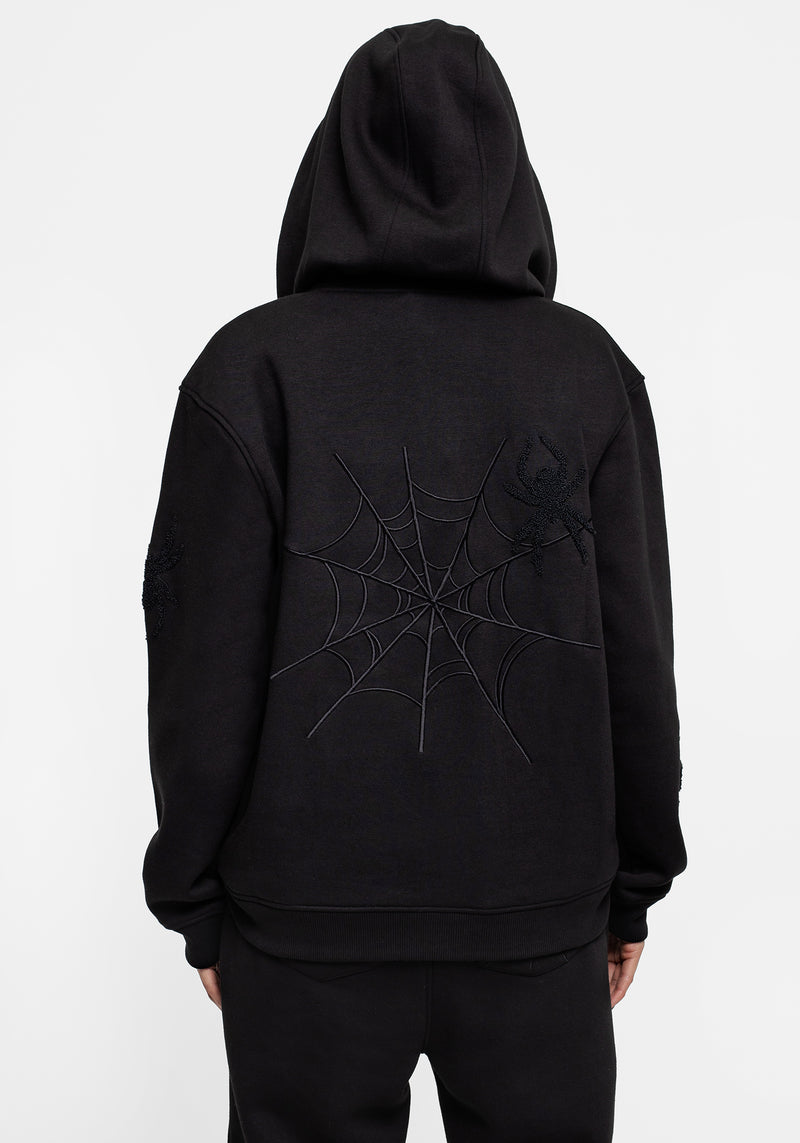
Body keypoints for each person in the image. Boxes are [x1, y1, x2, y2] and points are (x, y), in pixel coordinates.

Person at [141, 18, 687, 1142]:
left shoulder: (251, 368)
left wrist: (196, 899)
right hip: (541, 925)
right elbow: (638, 649)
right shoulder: (586, 371)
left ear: (327, 171)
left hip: (302, 932)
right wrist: (633, 882)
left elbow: (197, 657)